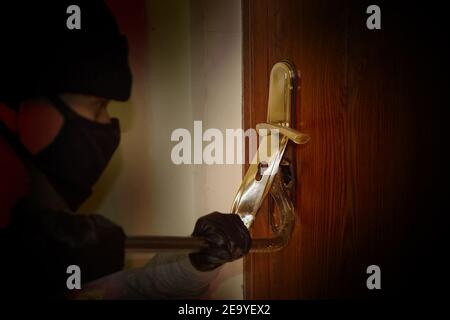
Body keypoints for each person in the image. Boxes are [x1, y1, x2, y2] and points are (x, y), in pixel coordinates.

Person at [0, 1, 251, 299]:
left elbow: (131, 289)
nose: (108, 125)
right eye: (96, 109)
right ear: (21, 110)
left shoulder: (38, 220)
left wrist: (196, 262)